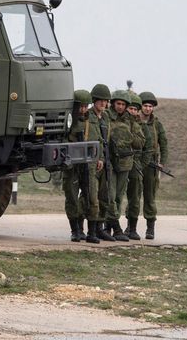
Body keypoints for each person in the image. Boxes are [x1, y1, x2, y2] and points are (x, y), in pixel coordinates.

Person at [106, 90, 144, 242]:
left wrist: (126, 137)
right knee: (110, 195)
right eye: (118, 104)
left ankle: (109, 227)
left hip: (125, 163)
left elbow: (140, 142)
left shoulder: (132, 121)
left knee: (118, 197)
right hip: (109, 161)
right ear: (113, 103)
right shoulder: (107, 117)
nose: (120, 107)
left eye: (123, 104)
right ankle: (115, 227)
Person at [62, 90, 93, 242]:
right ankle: (74, 230)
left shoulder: (90, 122)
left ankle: (81, 228)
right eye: (80, 106)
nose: (83, 109)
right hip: (71, 165)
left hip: (85, 165)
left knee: (86, 196)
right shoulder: (68, 123)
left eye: (86, 106)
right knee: (72, 197)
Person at [139, 91, 168, 240]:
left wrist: (162, 161)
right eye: (145, 105)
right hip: (136, 163)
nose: (148, 109)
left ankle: (150, 227)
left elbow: (164, 143)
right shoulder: (134, 121)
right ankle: (131, 227)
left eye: (150, 106)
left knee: (149, 197)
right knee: (134, 196)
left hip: (151, 164)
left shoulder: (156, 124)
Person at [91, 83, 115, 242]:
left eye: (106, 101)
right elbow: (94, 140)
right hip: (93, 161)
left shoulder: (106, 117)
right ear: (94, 101)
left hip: (106, 162)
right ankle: (90, 231)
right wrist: (98, 157)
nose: (103, 104)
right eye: (100, 101)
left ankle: (100, 228)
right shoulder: (88, 117)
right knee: (91, 197)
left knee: (105, 196)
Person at [125, 93, 144, 239]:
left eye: (135, 109)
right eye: (130, 108)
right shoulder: (116, 121)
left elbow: (143, 144)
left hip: (135, 163)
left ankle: (132, 227)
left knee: (135, 198)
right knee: (112, 196)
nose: (133, 111)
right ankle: (107, 226)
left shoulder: (139, 125)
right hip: (117, 163)